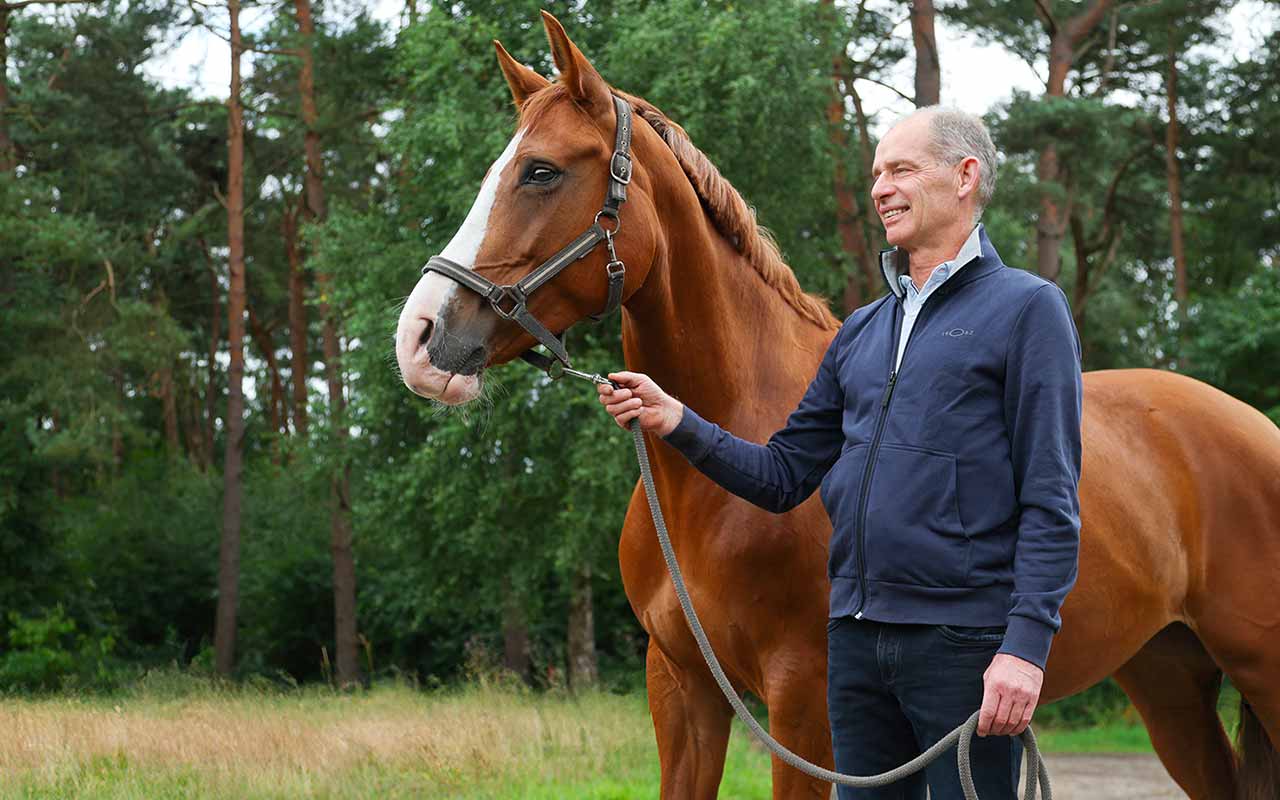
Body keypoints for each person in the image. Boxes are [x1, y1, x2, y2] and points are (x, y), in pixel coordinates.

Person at [597, 106, 1083, 800]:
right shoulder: (861, 331)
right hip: (854, 641)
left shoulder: (1027, 309)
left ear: (965, 176)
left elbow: (1051, 499)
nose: (881, 187)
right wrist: (676, 420)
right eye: (877, 172)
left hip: (959, 642)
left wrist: (1025, 649)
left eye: (902, 170)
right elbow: (781, 474)